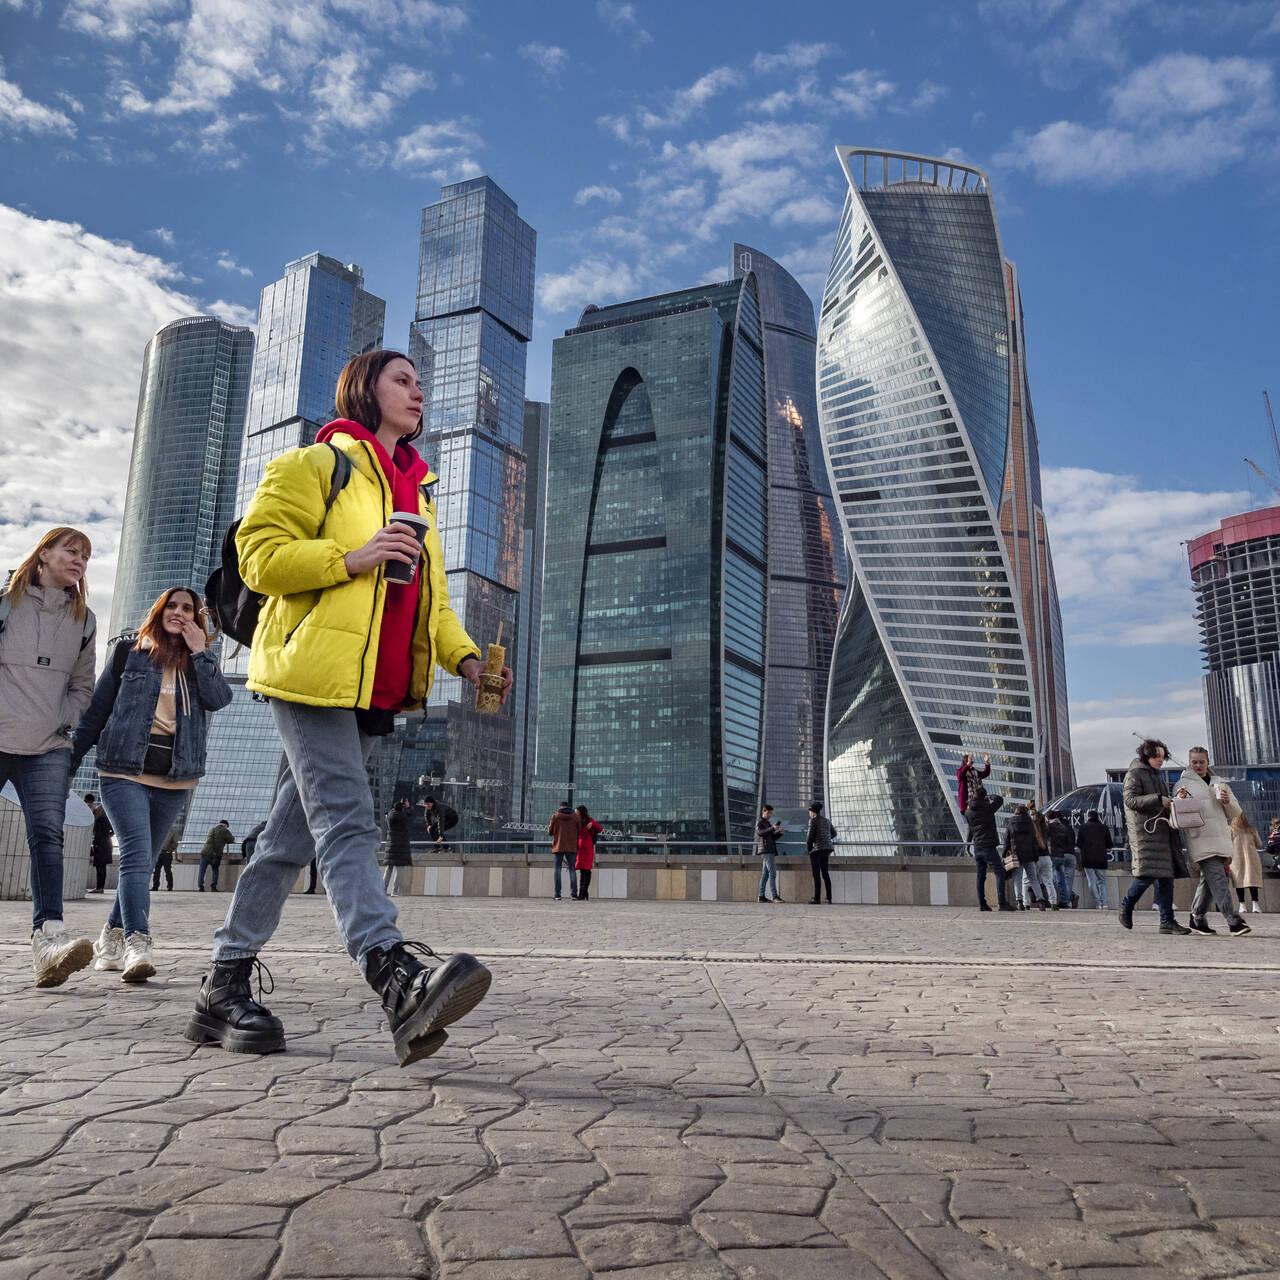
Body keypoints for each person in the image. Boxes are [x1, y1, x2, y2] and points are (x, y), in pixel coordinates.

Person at [187, 349, 508, 1068]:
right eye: (403, 380)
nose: (417, 392)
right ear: (365, 388)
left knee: (285, 840)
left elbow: (437, 603)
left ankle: (222, 986)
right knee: (345, 816)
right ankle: (392, 974)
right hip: (309, 673)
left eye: (421, 384)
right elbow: (260, 556)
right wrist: (352, 558)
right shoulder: (315, 465)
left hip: (375, 689)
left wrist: (466, 659)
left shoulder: (419, 496)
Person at [70, 587, 232, 981]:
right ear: (159, 612)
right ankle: (138, 942)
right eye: (171, 606)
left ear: (197, 618)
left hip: (175, 777)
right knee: (138, 856)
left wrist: (200, 653)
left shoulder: (198, 661)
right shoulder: (130, 652)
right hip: (123, 769)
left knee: (141, 862)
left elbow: (219, 699)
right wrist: (69, 762)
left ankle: (110, 937)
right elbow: (97, 711)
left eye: (187, 609)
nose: (178, 613)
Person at [0, 527, 97, 987]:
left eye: (85, 555)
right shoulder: (5, 604)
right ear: (44, 553)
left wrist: (66, 718)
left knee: (47, 835)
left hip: (49, 745)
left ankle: (49, 939)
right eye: (71, 550)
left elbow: (83, 685)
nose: (79, 560)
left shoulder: (85, 620)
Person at [1175, 747, 1251, 937]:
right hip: (1200, 838)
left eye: (1202, 762)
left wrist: (1227, 801)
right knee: (1218, 878)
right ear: (1189, 763)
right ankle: (1233, 919)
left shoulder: (1219, 783)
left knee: (1209, 880)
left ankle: (1197, 917)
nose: (1198, 765)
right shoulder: (1182, 785)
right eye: (1195, 762)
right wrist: (1180, 799)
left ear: (1207, 763)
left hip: (1220, 837)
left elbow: (1235, 812)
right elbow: (1176, 813)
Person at [1119, 738, 1191, 935]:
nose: (1160, 760)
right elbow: (1130, 800)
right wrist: (1158, 799)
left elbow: (1162, 803)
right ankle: (1126, 905)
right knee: (1147, 874)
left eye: (1162, 757)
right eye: (1156, 756)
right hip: (1146, 832)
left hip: (1162, 831)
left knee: (1166, 877)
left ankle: (1167, 921)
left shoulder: (1157, 776)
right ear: (1146, 755)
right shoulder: (1135, 774)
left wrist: (1176, 800)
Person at [966, 785, 1010, 912]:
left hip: (977, 847)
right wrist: (989, 796)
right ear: (984, 797)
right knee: (1000, 872)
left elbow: (970, 830)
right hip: (988, 847)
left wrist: (968, 845)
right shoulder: (987, 809)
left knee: (980, 876)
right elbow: (999, 800)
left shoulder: (968, 812)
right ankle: (1002, 903)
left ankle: (982, 904)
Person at [1003, 804, 1048, 909]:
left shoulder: (1011, 823)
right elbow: (1034, 841)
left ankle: (1020, 902)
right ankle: (1040, 901)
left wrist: (1004, 854)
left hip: (1016, 855)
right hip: (1029, 855)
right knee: (1033, 879)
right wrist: (1036, 857)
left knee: (1017, 879)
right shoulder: (1030, 824)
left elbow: (1006, 841)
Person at [1076, 810, 1111, 909]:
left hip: (1087, 859)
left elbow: (1079, 844)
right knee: (1102, 881)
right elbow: (1109, 845)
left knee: (1091, 881)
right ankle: (1104, 903)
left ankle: (1097, 903)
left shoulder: (1083, 827)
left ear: (1088, 817)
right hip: (1101, 859)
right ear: (1097, 817)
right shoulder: (1104, 827)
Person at [1230, 813, 1264, 914]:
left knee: (1239, 882)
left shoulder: (1231, 830)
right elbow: (1259, 843)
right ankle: (1255, 905)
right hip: (1252, 858)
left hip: (1236, 859)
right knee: (1252, 882)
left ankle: (1242, 905)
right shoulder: (1252, 829)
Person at [548, 802, 580, 901]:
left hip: (558, 846)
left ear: (560, 806)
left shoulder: (556, 816)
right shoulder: (576, 817)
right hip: (571, 846)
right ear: (569, 807)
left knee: (557, 869)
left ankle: (557, 894)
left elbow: (550, 832)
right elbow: (579, 830)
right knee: (572, 869)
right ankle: (573, 894)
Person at [1045, 811, 1077, 908]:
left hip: (1055, 854)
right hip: (1067, 855)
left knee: (1052, 879)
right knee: (1065, 879)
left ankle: (1057, 900)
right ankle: (1066, 899)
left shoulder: (1050, 827)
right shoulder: (1066, 827)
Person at [806, 801, 837, 904]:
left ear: (813, 812)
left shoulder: (813, 821)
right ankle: (829, 898)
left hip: (817, 849)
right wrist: (826, 838)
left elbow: (810, 837)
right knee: (825, 873)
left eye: (810, 811)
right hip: (827, 848)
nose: (809, 813)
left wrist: (809, 849)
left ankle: (816, 898)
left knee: (816, 874)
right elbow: (834, 833)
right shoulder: (827, 821)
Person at [85, 793, 113, 894]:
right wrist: (108, 836)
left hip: (100, 844)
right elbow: (113, 831)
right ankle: (100, 887)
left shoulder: (99, 821)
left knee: (99, 867)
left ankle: (99, 887)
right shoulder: (108, 820)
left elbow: (95, 833)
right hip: (107, 844)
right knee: (102, 867)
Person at [383, 798, 413, 896]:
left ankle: (383, 890)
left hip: (391, 846)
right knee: (399, 869)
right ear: (402, 809)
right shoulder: (403, 817)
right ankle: (394, 891)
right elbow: (410, 815)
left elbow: (389, 812)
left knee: (389, 869)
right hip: (401, 846)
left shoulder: (389, 817)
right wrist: (407, 806)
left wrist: (399, 805)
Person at [756, 803, 784, 903]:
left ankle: (761, 896)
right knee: (772, 874)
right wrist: (772, 828)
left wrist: (779, 833)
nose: (769, 815)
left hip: (769, 850)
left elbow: (772, 838)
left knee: (765, 875)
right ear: (763, 812)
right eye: (768, 813)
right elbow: (760, 833)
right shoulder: (760, 822)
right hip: (766, 850)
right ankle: (774, 896)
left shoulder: (767, 823)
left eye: (771, 813)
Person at [574, 804, 602, 901]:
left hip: (585, 847)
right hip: (583, 847)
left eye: (576, 811)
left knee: (585, 870)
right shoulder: (579, 820)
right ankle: (583, 893)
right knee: (584, 870)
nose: (575, 812)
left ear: (580, 812)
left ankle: (583, 893)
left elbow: (600, 828)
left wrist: (592, 824)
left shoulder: (587, 820)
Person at [198, 819, 235, 892]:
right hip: (215, 855)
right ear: (225, 825)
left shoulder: (212, 829)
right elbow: (232, 840)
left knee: (202, 870)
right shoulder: (225, 831)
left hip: (205, 852)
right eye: (227, 827)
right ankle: (213, 887)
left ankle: (200, 887)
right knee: (215, 870)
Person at [152, 827, 178, 892]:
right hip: (159, 853)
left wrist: (169, 850)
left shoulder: (173, 831)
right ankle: (155, 886)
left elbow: (175, 843)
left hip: (167, 854)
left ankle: (170, 886)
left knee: (168, 870)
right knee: (157, 871)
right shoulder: (161, 830)